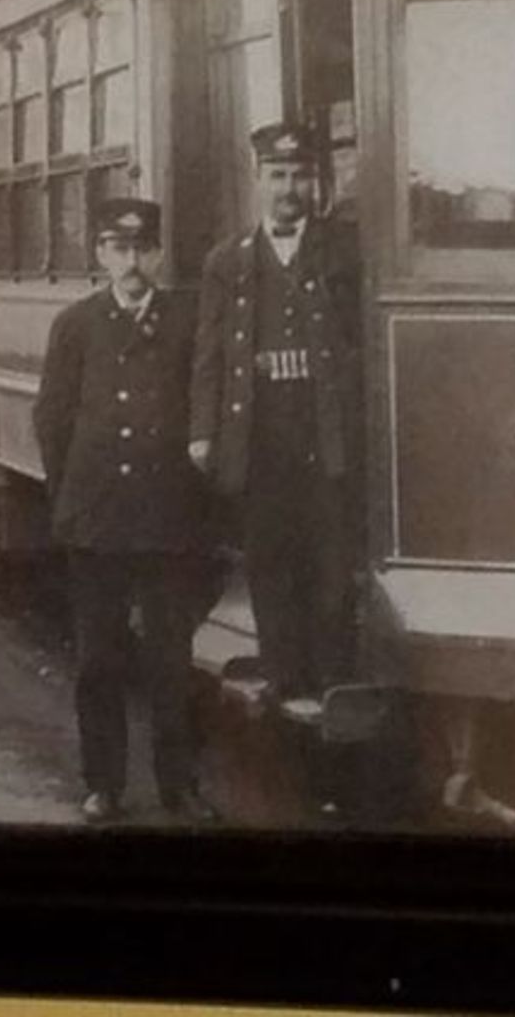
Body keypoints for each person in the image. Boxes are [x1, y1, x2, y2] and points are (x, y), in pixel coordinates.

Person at [34, 198, 217, 824]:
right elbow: (52, 420)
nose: (132, 261)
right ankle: (103, 784)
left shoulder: (187, 321)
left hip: (168, 520)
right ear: (101, 254)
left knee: (173, 662)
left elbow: (203, 409)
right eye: (118, 247)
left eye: (142, 248)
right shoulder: (76, 325)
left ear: (158, 254)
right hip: (98, 521)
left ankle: (179, 785)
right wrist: (73, 501)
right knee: (99, 663)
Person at [188, 122, 364, 724]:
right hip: (258, 430)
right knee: (270, 557)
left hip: (325, 425)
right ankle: (287, 676)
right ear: (258, 181)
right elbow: (209, 354)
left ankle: (332, 675)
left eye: (299, 176)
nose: (289, 188)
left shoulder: (344, 250)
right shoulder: (228, 261)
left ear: (314, 181)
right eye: (278, 176)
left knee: (331, 557)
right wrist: (202, 432)